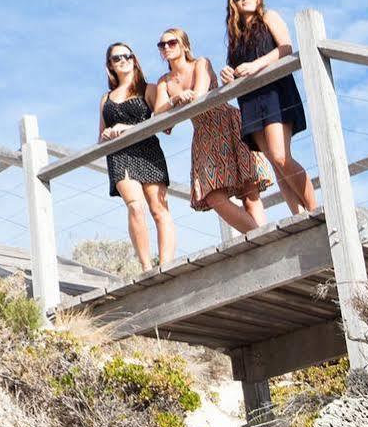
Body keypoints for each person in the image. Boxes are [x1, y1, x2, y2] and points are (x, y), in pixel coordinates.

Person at [153, 26, 270, 233]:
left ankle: (265, 239)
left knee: (249, 192)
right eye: (162, 45)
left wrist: (178, 102)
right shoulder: (164, 81)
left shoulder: (201, 63)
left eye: (172, 43)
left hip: (227, 123)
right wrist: (175, 99)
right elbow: (160, 117)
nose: (166, 47)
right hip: (203, 134)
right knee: (213, 196)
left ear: (184, 45)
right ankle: (259, 236)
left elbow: (198, 95)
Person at [220, 0, 319, 214]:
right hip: (250, 99)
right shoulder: (235, 36)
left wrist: (256, 65)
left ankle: (315, 210)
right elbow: (236, 69)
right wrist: (228, 74)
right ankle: (298, 215)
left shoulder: (269, 17)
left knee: (280, 155)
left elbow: (285, 48)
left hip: (275, 91)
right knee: (275, 163)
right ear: (232, 3)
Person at [98, 42, 175, 271]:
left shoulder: (148, 89)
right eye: (116, 58)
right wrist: (108, 133)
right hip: (120, 154)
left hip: (147, 149)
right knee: (135, 206)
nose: (123, 60)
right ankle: (145, 267)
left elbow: (165, 124)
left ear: (134, 59)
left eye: (127, 56)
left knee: (159, 208)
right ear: (109, 65)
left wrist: (129, 127)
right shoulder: (106, 99)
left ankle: (166, 265)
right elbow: (100, 138)